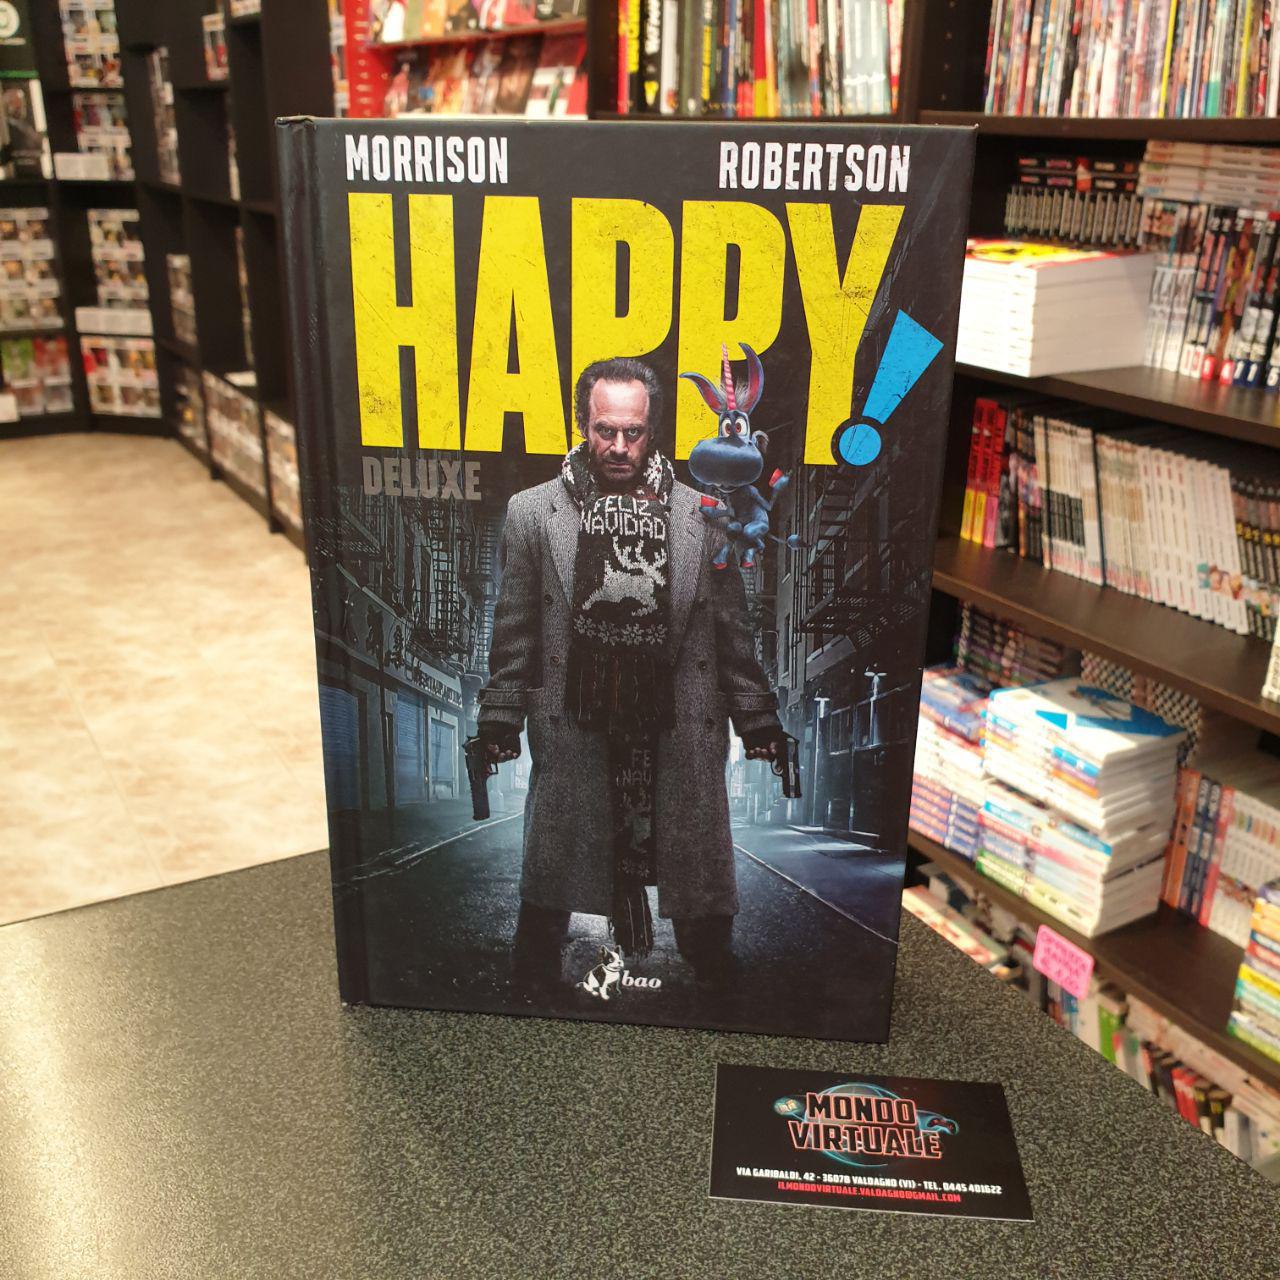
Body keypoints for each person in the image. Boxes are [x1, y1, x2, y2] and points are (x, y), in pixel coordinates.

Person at [475, 357, 788, 997]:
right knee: (551, 883)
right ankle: (530, 995)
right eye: (605, 430)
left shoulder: (703, 514)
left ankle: (719, 995)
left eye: (633, 432)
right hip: (576, 723)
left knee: (700, 898)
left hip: (676, 724)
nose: (619, 446)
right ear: (583, 425)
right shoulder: (533, 513)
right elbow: (516, 630)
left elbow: (732, 632)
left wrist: (758, 720)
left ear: (653, 430)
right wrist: (500, 717)